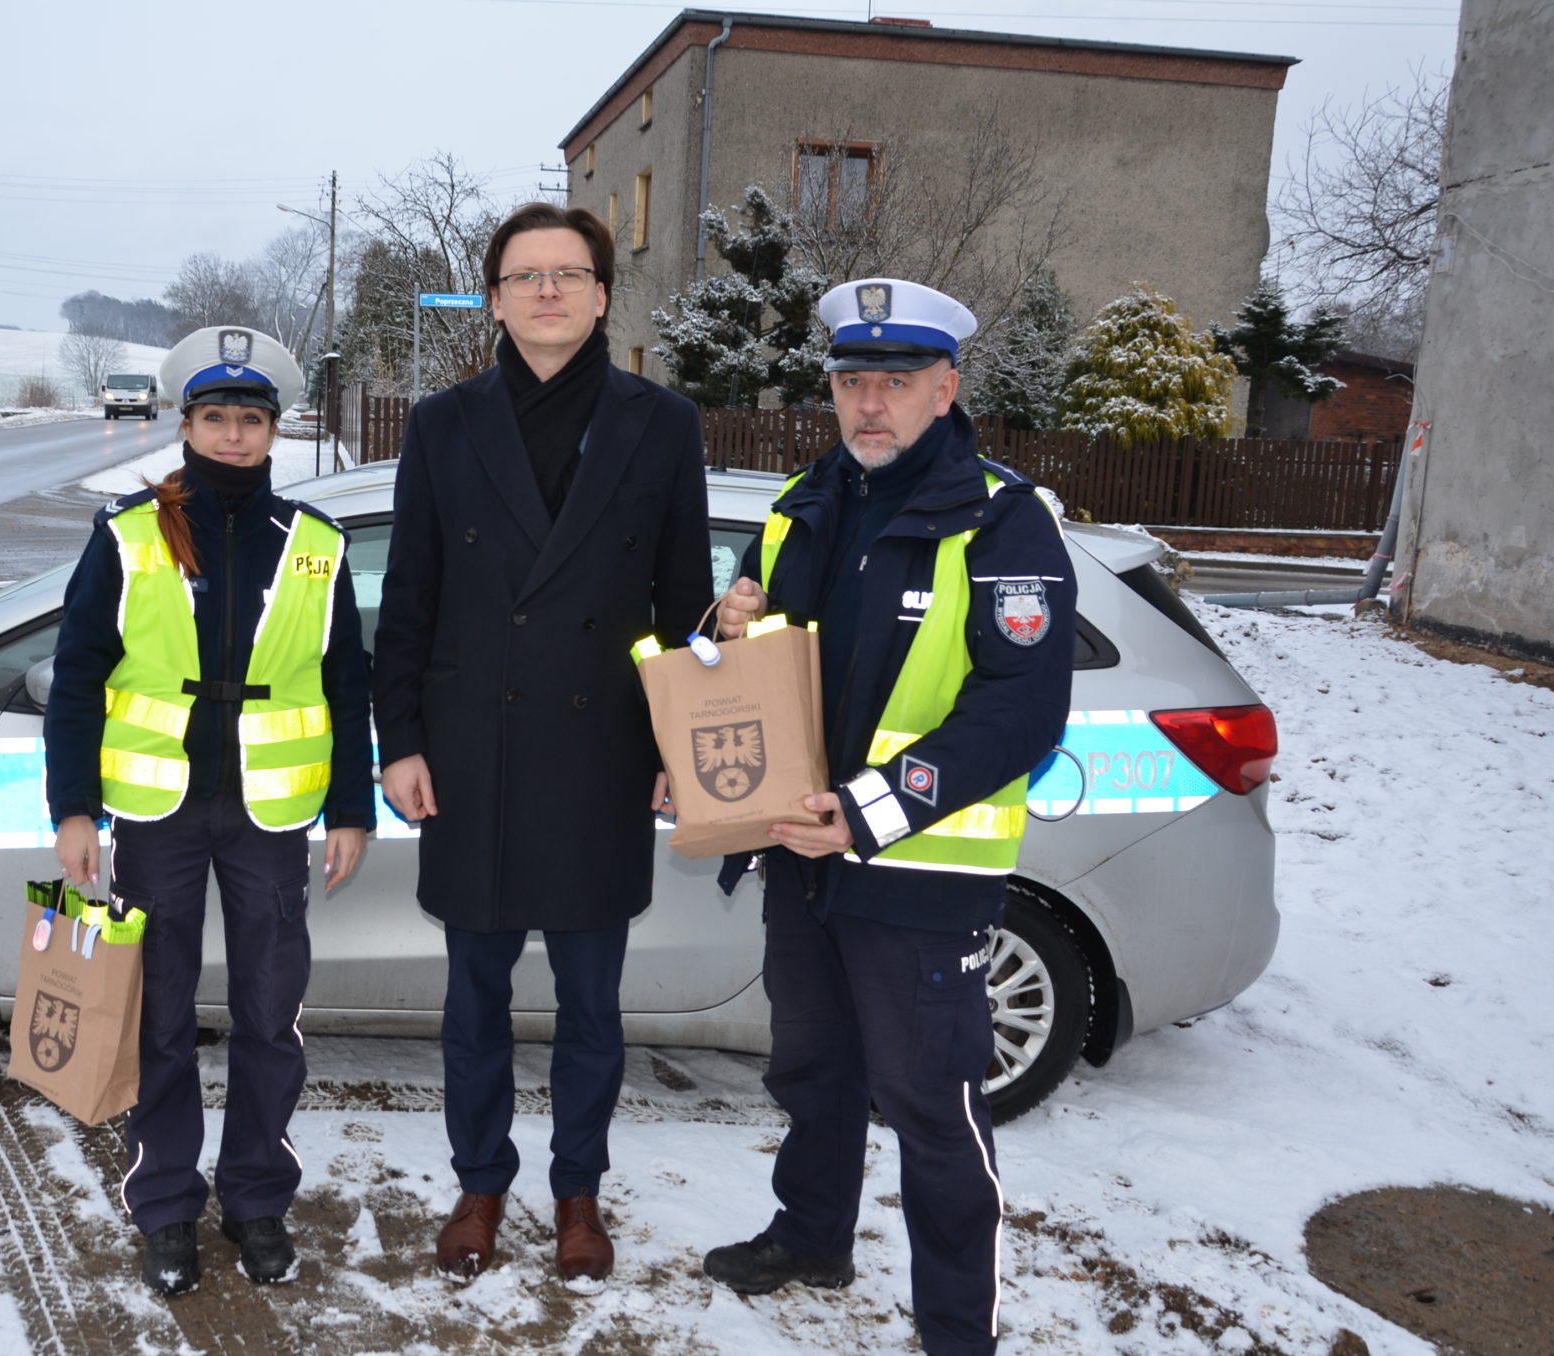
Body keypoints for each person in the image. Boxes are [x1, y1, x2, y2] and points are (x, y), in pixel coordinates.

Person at [702, 279, 1076, 1356]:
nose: (871, 403)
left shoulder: (1000, 519)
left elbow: (1018, 710)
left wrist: (866, 811)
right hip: (799, 855)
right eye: (852, 381)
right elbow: (733, 659)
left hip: (917, 875)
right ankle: (812, 1236)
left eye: (896, 382)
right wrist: (720, 627)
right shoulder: (800, 504)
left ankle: (957, 1330)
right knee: (809, 1073)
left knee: (932, 1111)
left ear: (945, 387)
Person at [371, 202, 715, 1289]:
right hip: (471, 756)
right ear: (495, 299)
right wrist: (400, 743)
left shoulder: (661, 425)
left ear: (603, 295)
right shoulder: (440, 423)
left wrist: (681, 741)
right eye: (525, 275)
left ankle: (577, 1194)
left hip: (599, 754)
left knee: (589, 1005)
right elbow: (410, 596)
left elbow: (681, 600)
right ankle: (479, 1181)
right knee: (471, 996)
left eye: (569, 273)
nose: (548, 291)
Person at [43, 325, 374, 1297]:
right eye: (216, 416)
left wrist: (349, 808)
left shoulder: (315, 546)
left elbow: (344, 683)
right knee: (160, 1018)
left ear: (276, 430)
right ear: (186, 422)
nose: (234, 434)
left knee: (272, 1017)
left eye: (252, 419)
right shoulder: (127, 533)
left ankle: (258, 1199)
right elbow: (75, 681)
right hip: (157, 815)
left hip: (271, 819)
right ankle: (166, 1208)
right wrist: (73, 810)